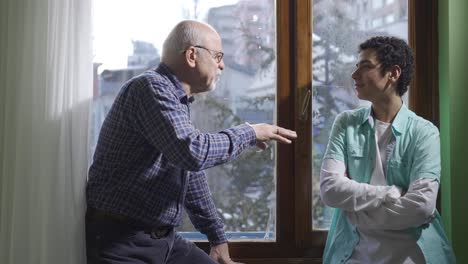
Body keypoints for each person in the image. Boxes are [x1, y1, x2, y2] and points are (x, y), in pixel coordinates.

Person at [85, 20, 297, 264]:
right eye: (218, 56)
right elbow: (193, 152)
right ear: (192, 55)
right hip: (122, 241)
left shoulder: (176, 101)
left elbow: (190, 174)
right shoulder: (150, 88)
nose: (222, 65)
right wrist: (249, 132)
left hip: (164, 241)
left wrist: (217, 238)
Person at [320, 36, 456, 264]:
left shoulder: (425, 132)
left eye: (365, 67)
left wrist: (356, 213)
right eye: (357, 68)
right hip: (352, 255)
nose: (355, 76)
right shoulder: (346, 123)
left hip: (413, 256)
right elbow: (330, 189)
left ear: (393, 73)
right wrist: (388, 193)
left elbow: (421, 206)